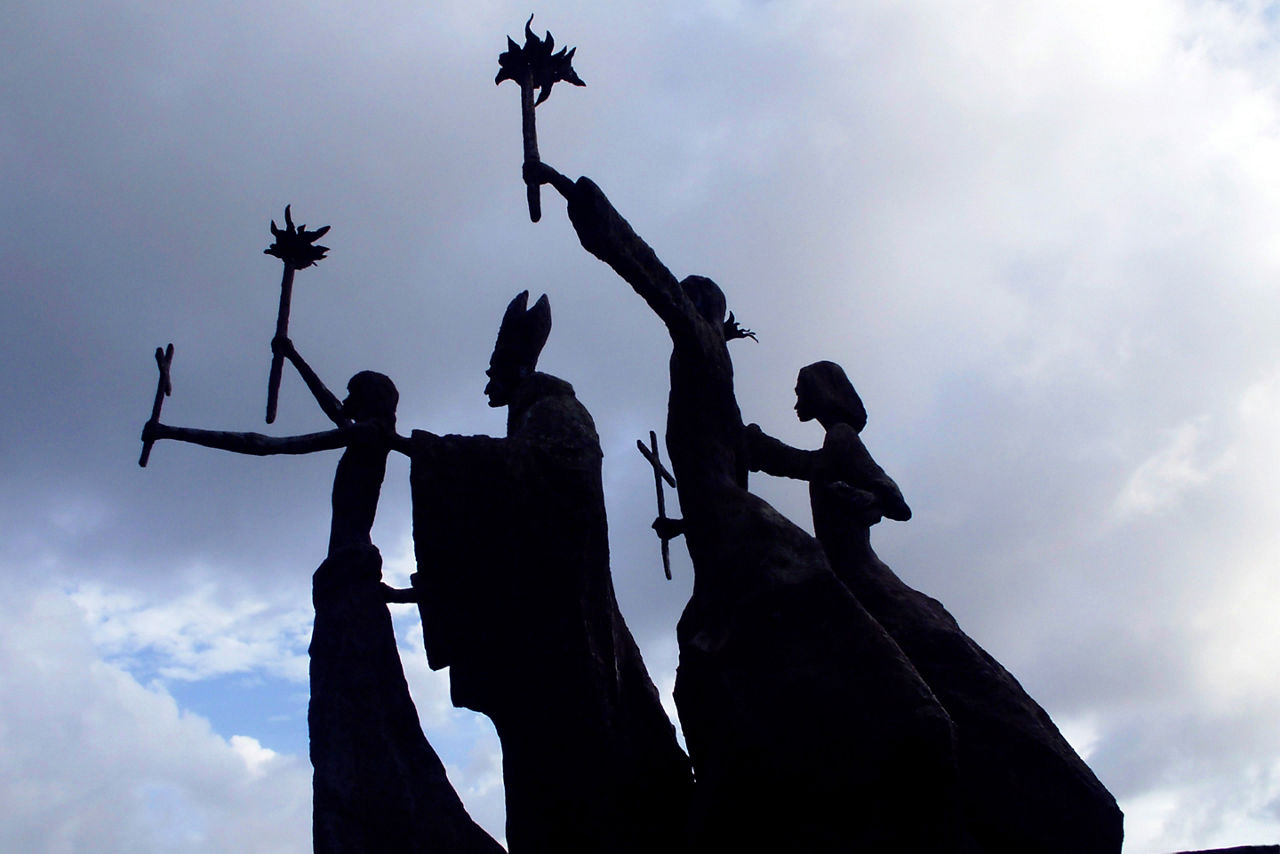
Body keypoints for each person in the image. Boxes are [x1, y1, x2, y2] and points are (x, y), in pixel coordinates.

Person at [528, 161, 966, 852]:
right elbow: (745, 447)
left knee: (802, 575)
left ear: (697, 309)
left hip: (723, 517)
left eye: (690, 303)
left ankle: (893, 711)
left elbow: (650, 276)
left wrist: (572, 194)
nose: (686, 310)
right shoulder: (708, 362)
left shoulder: (701, 345)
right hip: (716, 520)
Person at [747, 360, 1125, 854]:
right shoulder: (830, 446)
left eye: (801, 391)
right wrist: (756, 446)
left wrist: (863, 501)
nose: (796, 402)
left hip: (862, 576)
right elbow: (801, 466)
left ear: (824, 393)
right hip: (845, 576)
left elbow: (895, 500)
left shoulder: (842, 438)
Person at [141, 340, 503, 854]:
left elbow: (266, 445)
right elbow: (333, 407)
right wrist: (292, 356)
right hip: (346, 576)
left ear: (372, 403)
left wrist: (174, 432)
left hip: (350, 575)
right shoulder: (368, 433)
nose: (347, 403)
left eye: (356, 395)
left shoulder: (371, 436)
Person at [403, 292, 693, 854]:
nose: (487, 384)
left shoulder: (557, 411)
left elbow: (560, 474)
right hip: (544, 623)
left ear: (515, 369)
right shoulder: (529, 418)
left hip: (568, 624)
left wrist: (440, 455)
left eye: (493, 372)